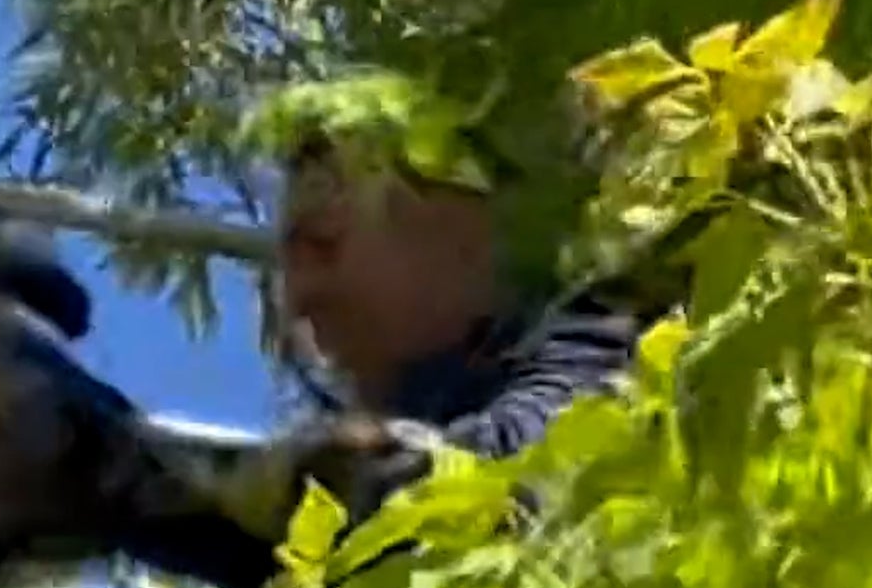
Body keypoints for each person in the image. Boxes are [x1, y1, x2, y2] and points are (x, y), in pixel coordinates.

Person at [264, 130, 640, 524]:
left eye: (323, 245)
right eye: (289, 262)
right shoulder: (434, 397)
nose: (298, 296)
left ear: (465, 220)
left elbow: (521, 463)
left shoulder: (605, 335)